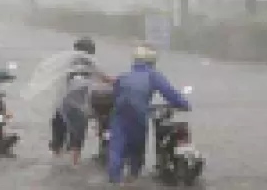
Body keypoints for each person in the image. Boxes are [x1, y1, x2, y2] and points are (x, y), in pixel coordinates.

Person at [106, 44, 190, 185]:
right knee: (136, 149)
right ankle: (132, 179)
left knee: (116, 148)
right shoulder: (153, 75)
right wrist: (185, 105)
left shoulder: (124, 76)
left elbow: (116, 96)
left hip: (119, 114)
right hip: (138, 114)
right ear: (152, 61)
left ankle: (115, 181)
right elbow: (170, 93)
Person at [49, 36, 114, 164]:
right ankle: (74, 163)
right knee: (77, 136)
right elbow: (106, 79)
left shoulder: (67, 63)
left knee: (58, 132)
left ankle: (56, 160)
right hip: (78, 106)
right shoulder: (91, 64)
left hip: (63, 105)